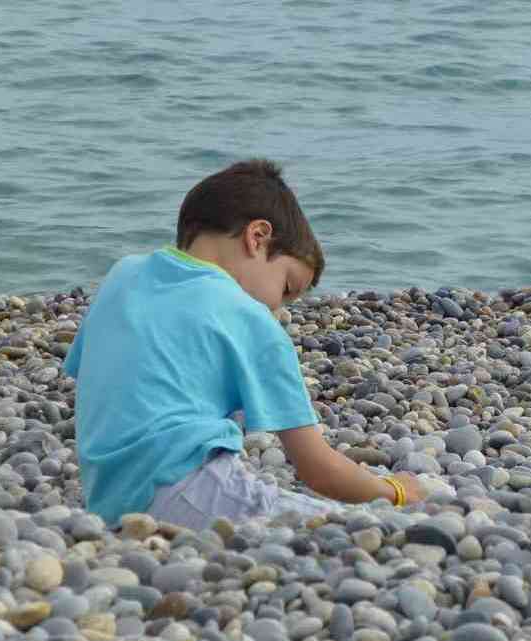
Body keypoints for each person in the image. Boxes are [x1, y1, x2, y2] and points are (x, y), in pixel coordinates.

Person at [63, 159, 426, 530]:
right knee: (355, 529)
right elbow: (320, 471)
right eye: (287, 288)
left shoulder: (123, 273)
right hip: (187, 491)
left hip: (105, 500)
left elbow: (93, 374)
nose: (277, 308)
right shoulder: (247, 316)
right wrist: (395, 491)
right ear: (257, 237)